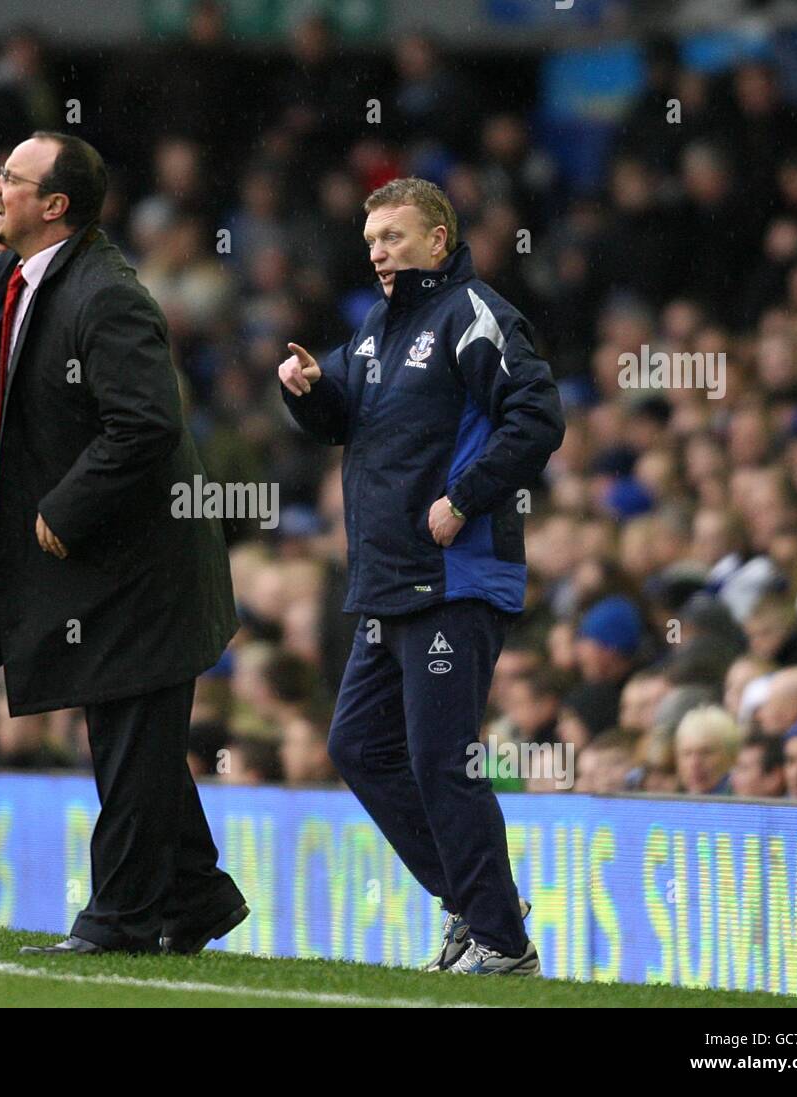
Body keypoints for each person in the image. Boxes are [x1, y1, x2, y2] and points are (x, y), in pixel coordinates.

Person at [0, 132, 247, 955]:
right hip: (102, 566)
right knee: (135, 743)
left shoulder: (105, 294)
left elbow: (146, 422)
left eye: (12, 180)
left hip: (143, 566)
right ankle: (196, 896)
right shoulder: (24, 274)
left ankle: (120, 923)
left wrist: (66, 508)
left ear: (55, 205)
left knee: (131, 742)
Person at [278, 176, 564, 975]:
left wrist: (465, 497)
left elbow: (538, 416)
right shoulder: (375, 329)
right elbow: (348, 424)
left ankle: (502, 941)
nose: (378, 253)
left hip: (453, 574)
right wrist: (309, 393)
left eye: (394, 238)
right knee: (360, 747)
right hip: (388, 581)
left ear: (439, 240)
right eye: (372, 241)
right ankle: (479, 910)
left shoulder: (474, 315)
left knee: (441, 758)